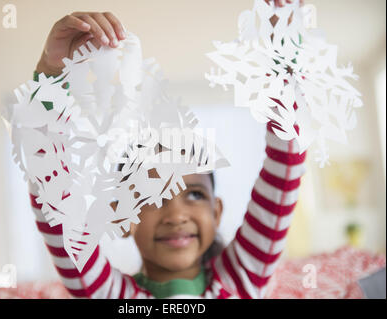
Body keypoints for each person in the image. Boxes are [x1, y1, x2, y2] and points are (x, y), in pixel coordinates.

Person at [29, 0, 307, 298]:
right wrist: (53, 73)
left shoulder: (242, 277)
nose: (176, 215)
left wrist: (281, 45)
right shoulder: (109, 293)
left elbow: (287, 160)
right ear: (121, 219)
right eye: (152, 195)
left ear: (216, 211)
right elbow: (54, 195)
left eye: (195, 194)